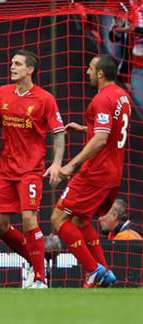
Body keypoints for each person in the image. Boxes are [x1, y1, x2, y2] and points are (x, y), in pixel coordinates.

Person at [0, 49, 66, 289]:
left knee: (29, 218)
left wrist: (57, 163)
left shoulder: (44, 99)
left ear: (30, 70)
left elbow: (59, 133)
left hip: (31, 169)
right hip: (6, 169)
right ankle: (36, 260)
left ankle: (40, 278)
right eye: (12, 63)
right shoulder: (3, 93)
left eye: (18, 64)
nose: (12, 67)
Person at [51, 54, 131, 288]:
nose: (86, 72)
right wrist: (87, 128)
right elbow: (112, 130)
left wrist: (70, 164)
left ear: (100, 74)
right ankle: (104, 273)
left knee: (58, 218)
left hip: (95, 172)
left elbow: (102, 138)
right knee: (79, 220)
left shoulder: (101, 99)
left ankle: (92, 271)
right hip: (113, 173)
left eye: (90, 69)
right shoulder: (122, 96)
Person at [110, 1, 143, 119]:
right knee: (138, 101)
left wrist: (135, 30)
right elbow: (114, 38)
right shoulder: (125, 5)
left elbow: (135, 30)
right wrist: (117, 29)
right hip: (137, 68)